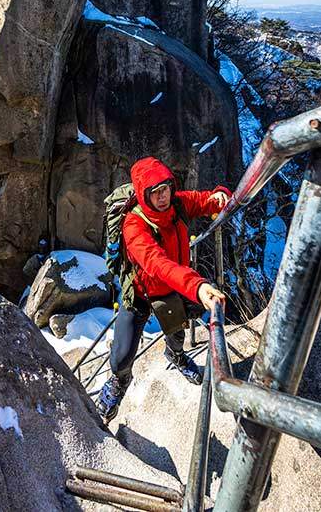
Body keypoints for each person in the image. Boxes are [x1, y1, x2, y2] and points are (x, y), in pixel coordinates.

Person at [97, 156, 230, 423]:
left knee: (176, 333)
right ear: (143, 195)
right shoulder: (133, 227)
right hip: (139, 293)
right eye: (154, 193)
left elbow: (203, 200)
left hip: (171, 288)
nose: (162, 197)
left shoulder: (176, 204)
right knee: (121, 357)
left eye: (165, 189)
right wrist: (198, 286)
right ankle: (119, 381)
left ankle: (176, 356)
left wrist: (221, 196)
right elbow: (157, 264)